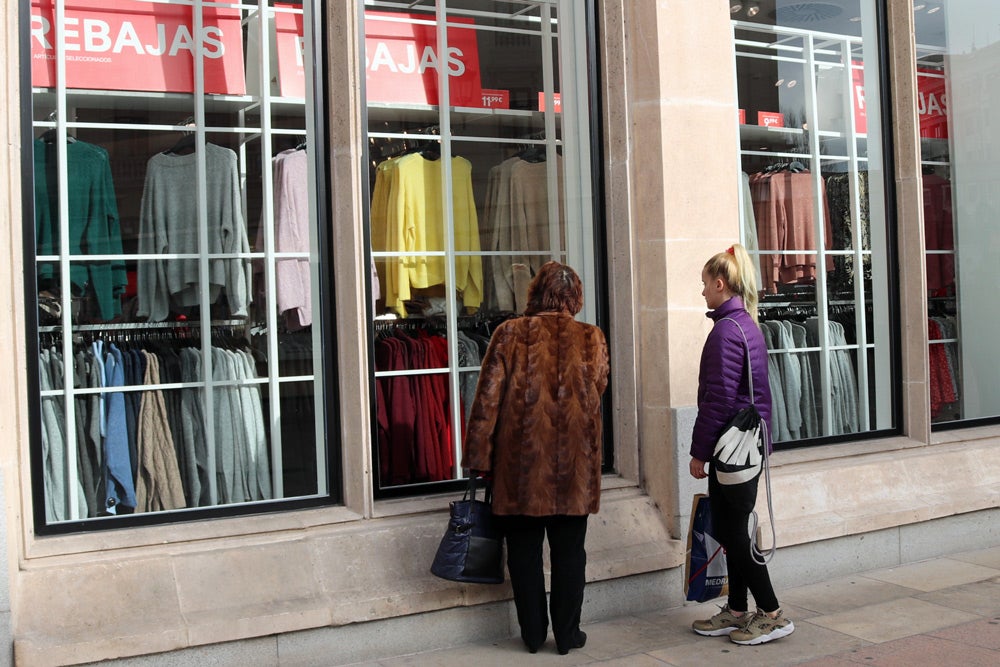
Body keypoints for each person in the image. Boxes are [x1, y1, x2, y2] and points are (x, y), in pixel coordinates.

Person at [463, 261, 610, 655]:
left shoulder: (509, 334)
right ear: (574, 297)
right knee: (570, 555)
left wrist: (479, 458)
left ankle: (532, 634)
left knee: (524, 556)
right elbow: (597, 388)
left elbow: (486, 403)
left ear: (535, 293)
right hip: (574, 470)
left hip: (521, 470)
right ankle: (567, 635)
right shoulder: (591, 337)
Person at [689, 243, 795, 645]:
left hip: (732, 448)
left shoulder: (725, 332)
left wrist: (699, 452)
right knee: (730, 527)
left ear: (721, 283)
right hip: (745, 445)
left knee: (734, 532)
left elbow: (717, 400)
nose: (702, 291)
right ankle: (737, 609)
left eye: (705, 283)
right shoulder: (744, 324)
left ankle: (772, 614)